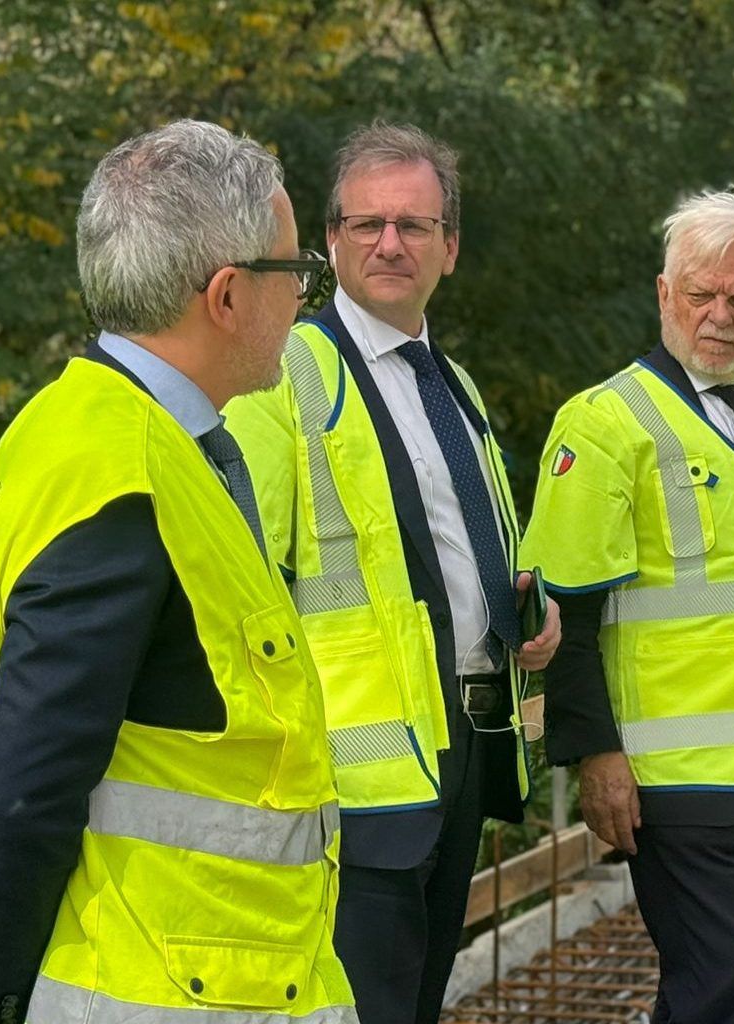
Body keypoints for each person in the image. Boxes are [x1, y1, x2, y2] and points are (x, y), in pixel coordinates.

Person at [0, 120, 354, 1024]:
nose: (304, 299)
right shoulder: (128, 481)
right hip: (162, 988)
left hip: (186, 971)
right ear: (228, 296)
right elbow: (26, 792)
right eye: (297, 273)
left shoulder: (84, 429)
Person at [224, 120, 557, 1024]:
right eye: (367, 223)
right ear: (330, 240)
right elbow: (240, 577)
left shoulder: (454, 386)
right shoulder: (284, 372)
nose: (390, 243)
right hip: (348, 779)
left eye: (414, 225)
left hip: (462, 747)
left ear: (451, 247)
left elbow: (466, 552)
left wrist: (526, 614)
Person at [522, 187, 734, 1024]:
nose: (719, 316)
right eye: (700, 294)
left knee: (722, 986)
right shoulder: (606, 424)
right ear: (664, 294)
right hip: (669, 780)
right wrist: (594, 753)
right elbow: (566, 616)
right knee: (724, 985)